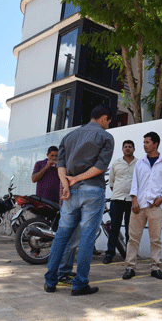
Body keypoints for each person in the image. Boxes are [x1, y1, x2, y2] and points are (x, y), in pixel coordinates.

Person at [44, 104, 114, 296]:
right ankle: (80, 284)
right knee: (87, 237)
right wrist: (78, 179)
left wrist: (67, 185)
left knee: (61, 235)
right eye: (108, 121)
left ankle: (50, 282)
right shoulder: (106, 137)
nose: (108, 125)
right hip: (92, 190)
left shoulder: (69, 137)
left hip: (71, 192)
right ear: (103, 118)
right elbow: (101, 166)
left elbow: (61, 165)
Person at [122, 132, 162, 280]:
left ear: (155, 144)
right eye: (143, 142)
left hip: (156, 207)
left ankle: (155, 268)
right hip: (138, 206)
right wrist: (134, 201)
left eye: (147, 142)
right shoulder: (140, 163)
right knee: (133, 238)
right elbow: (135, 184)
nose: (144, 145)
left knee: (155, 239)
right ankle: (130, 267)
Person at [33, 145, 79, 286]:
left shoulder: (62, 167)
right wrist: (47, 167)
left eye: (56, 156)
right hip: (42, 202)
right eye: (52, 156)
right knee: (42, 227)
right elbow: (34, 178)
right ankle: (35, 251)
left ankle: (62, 269)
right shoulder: (40, 164)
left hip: (58, 203)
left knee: (60, 234)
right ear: (47, 155)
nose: (54, 158)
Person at [103, 140, 138, 264]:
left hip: (132, 201)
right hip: (117, 199)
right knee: (114, 228)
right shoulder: (116, 163)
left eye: (130, 147)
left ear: (134, 149)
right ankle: (110, 254)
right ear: (122, 149)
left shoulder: (139, 163)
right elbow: (111, 182)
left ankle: (129, 255)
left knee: (130, 229)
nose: (127, 149)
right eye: (125, 147)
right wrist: (120, 191)